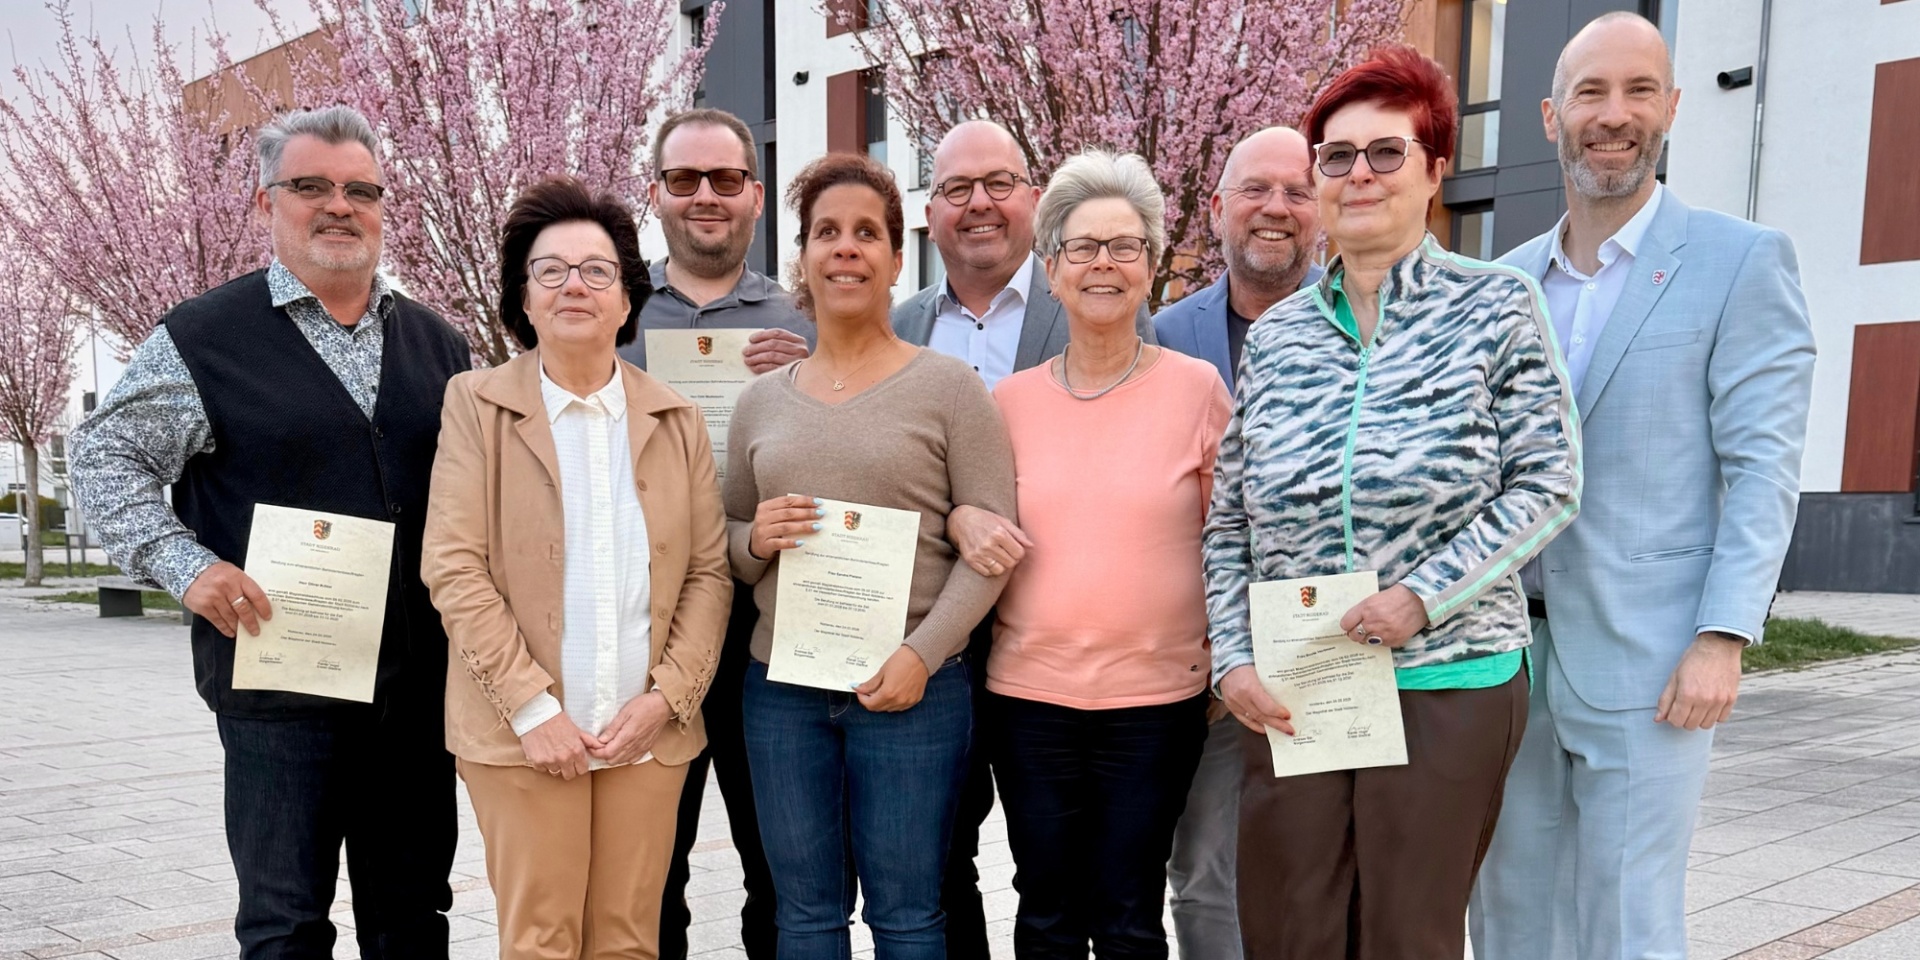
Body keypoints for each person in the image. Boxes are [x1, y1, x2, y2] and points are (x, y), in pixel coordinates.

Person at [1205, 44, 1582, 959]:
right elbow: (1230, 519)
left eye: (1387, 152)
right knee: (1289, 930)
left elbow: (1549, 481)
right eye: (1337, 156)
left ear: (1434, 171)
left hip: (1449, 675)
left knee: (1406, 936)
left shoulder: (1496, 306)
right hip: (1303, 679)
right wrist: (1232, 657)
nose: (1360, 174)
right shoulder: (1280, 335)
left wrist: (1424, 595)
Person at [67, 105, 470, 959]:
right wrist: (185, 566)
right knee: (285, 928)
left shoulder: (441, 345)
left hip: (416, 696)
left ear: (382, 206)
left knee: (414, 922)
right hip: (279, 692)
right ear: (265, 202)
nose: (339, 205)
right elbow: (104, 459)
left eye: (361, 190)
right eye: (310, 186)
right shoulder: (202, 338)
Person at [1469, 14, 1817, 960]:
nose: (1613, 115)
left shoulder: (1741, 261)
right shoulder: (1500, 286)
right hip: (1503, 658)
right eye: (1590, 93)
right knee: (1506, 912)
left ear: (1670, 108)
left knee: (1628, 917)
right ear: (1552, 117)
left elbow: (1762, 470)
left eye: (1637, 91)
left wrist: (1723, 636)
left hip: (1652, 660)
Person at [422, 175, 731, 960]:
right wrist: (534, 710)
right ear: (523, 298)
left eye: (597, 270)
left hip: (645, 735)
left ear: (626, 299)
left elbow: (708, 574)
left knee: (629, 942)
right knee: (541, 942)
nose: (574, 286)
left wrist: (667, 699)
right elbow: (454, 567)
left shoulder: (677, 417)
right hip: (522, 735)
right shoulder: (475, 405)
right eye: (550, 270)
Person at [725, 152, 1016, 959]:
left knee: (910, 918)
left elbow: (992, 546)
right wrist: (754, 539)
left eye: (866, 233)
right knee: (803, 918)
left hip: (913, 689)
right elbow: (729, 540)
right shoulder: (758, 402)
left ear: (895, 259)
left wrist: (923, 655)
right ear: (804, 259)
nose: (845, 247)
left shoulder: (951, 389)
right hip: (782, 693)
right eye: (826, 233)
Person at [891, 118, 1154, 959]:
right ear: (930, 212)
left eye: (999, 183)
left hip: (1053, 650)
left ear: (1034, 200)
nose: (979, 203)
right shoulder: (898, 325)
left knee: (1074, 883)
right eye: (956, 188)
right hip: (932, 640)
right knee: (937, 860)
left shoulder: (1095, 299)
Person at [966, 149, 1225, 959]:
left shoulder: (1198, 390)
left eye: (1124, 246)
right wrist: (962, 519)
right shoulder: (1008, 402)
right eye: (1082, 247)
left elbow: (1233, 539)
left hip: (1157, 703)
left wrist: (1231, 658)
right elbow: (970, 514)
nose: (1103, 263)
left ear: (1150, 266)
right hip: (1029, 700)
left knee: (1128, 914)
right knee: (1045, 909)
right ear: (1051, 270)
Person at [622, 107, 812, 960]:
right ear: (655, 194)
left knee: (780, 869)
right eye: (685, 179)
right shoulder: (615, 311)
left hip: (770, 628)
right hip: (648, 628)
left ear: (755, 197)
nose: (706, 195)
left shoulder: (806, 318)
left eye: (726, 179)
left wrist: (812, 378)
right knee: (650, 874)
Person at [1149, 125, 1324, 960]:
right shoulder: (1161, 336)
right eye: (1255, 189)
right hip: (1205, 661)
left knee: (1326, 866)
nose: (1275, 208)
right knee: (1205, 870)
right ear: (1217, 209)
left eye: (1297, 191)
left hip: (1334, 645)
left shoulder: (1372, 322)